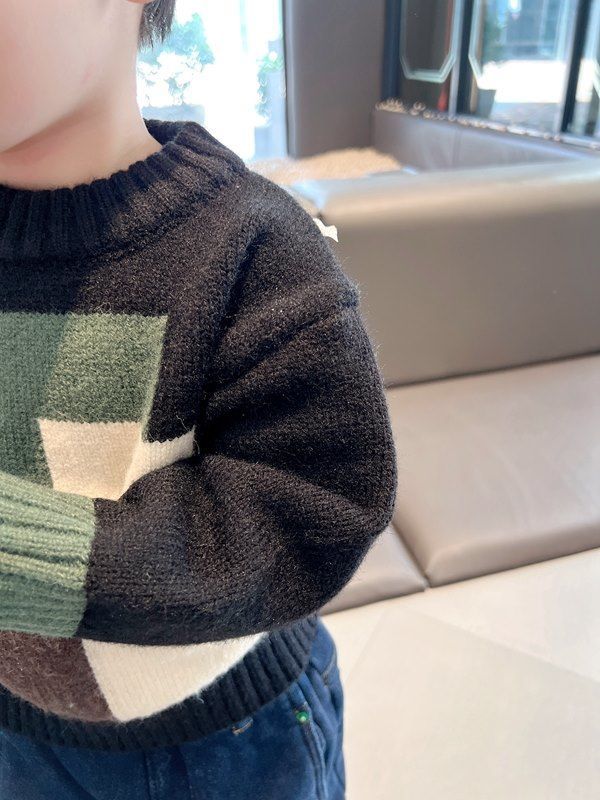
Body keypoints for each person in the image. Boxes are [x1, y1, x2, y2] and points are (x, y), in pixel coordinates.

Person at [0, 1, 397, 798]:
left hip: (225, 739)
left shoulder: (252, 244)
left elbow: (314, 504)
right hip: (20, 729)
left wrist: (25, 551)